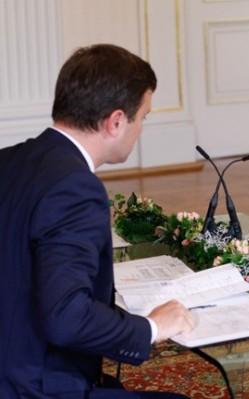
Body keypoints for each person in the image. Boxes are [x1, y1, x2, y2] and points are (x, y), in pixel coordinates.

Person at [0, 44, 195, 398]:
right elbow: (66, 318)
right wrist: (151, 327)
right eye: (143, 118)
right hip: (32, 386)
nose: (140, 129)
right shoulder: (75, 188)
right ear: (116, 121)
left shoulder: (10, 160)